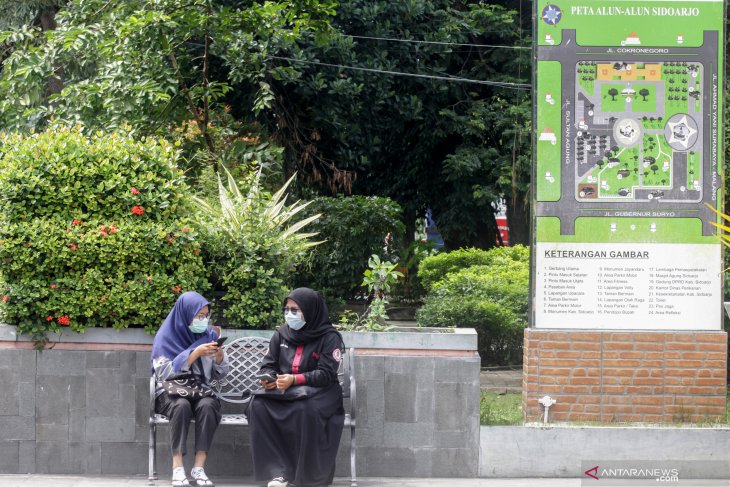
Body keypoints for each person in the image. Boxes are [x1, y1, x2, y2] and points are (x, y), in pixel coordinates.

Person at [249, 287, 346, 487]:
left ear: (310, 310)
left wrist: (295, 379)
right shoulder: (282, 334)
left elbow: (327, 374)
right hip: (288, 390)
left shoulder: (329, 337)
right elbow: (268, 364)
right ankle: (278, 472)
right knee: (256, 405)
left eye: (295, 310)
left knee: (305, 409)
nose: (289, 314)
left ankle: (305, 476)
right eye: (287, 309)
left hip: (322, 392)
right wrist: (270, 378)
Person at [151, 291, 229, 487]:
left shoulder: (208, 335)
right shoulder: (166, 336)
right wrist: (193, 354)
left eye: (205, 315)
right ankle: (177, 468)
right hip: (170, 391)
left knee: (209, 405)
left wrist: (219, 358)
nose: (203, 320)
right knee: (181, 406)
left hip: (200, 389)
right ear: (185, 314)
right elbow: (163, 374)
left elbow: (221, 374)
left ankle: (199, 467)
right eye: (198, 316)